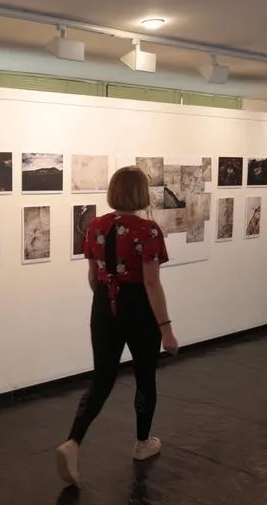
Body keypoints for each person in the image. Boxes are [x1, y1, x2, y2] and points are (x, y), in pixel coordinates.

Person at [55, 166, 179, 487]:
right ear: (140, 193)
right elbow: (152, 283)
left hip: (103, 308)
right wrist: (166, 328)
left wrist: (109, 303)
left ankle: (73, 442)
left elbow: (93, 277)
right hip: (139, 309)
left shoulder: (95, 226)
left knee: (102, 380)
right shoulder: (148, 231)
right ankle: (142, 444)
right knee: (144, 378)